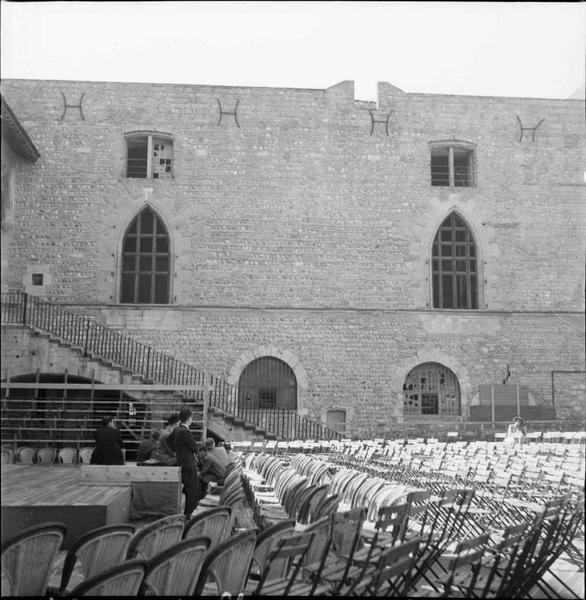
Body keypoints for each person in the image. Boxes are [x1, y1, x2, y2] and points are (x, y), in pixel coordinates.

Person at [167, 408, 200, 516]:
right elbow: (195, 447)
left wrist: (178, 450)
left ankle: (186, 513)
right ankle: (189, 514)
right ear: (189, 419)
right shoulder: (185, 431)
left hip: (181, 461)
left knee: (186, 489)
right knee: (192, 490)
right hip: (188, 463)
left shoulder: (176, 429)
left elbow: (168, 441)